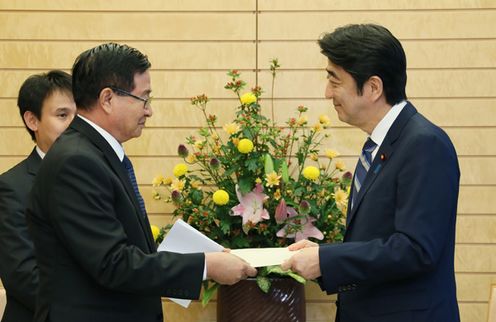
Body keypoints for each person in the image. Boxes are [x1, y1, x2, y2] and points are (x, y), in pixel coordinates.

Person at [26, 43, 256, 322]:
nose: (149, 111)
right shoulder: (76, 161)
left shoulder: (95, 153)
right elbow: (113, 263)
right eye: (143, 98)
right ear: (108, 99)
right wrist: (206, 265)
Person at [282, 24, 460, 322]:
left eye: (335, 81)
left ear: (374, 87)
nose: (328, 93)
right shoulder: (381, 145)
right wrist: (321, 255)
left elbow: (416, 249)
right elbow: (379, 238)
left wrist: (326, 261)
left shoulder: (424, 144)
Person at [0, 70, 77, 322]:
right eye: (63, 115)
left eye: (79, 115)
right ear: (32, 121)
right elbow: (22, 275)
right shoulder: (11, 187)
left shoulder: (97, 178)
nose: (74, 125)